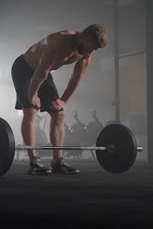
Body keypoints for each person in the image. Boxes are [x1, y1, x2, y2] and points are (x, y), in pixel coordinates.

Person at [11, 24, 108, 175]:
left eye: (95, 48)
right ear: (84, 36)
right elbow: (41, 71)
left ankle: (58, 162)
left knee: (59, 113)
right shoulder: (61, 41)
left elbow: (76, 78)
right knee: (30, 110)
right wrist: (33, 94)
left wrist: (63, 100)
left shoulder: (87, 51)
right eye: (91, 46)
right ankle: (34, 162)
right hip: (24, 68)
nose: (91, 50)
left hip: (44, 72)